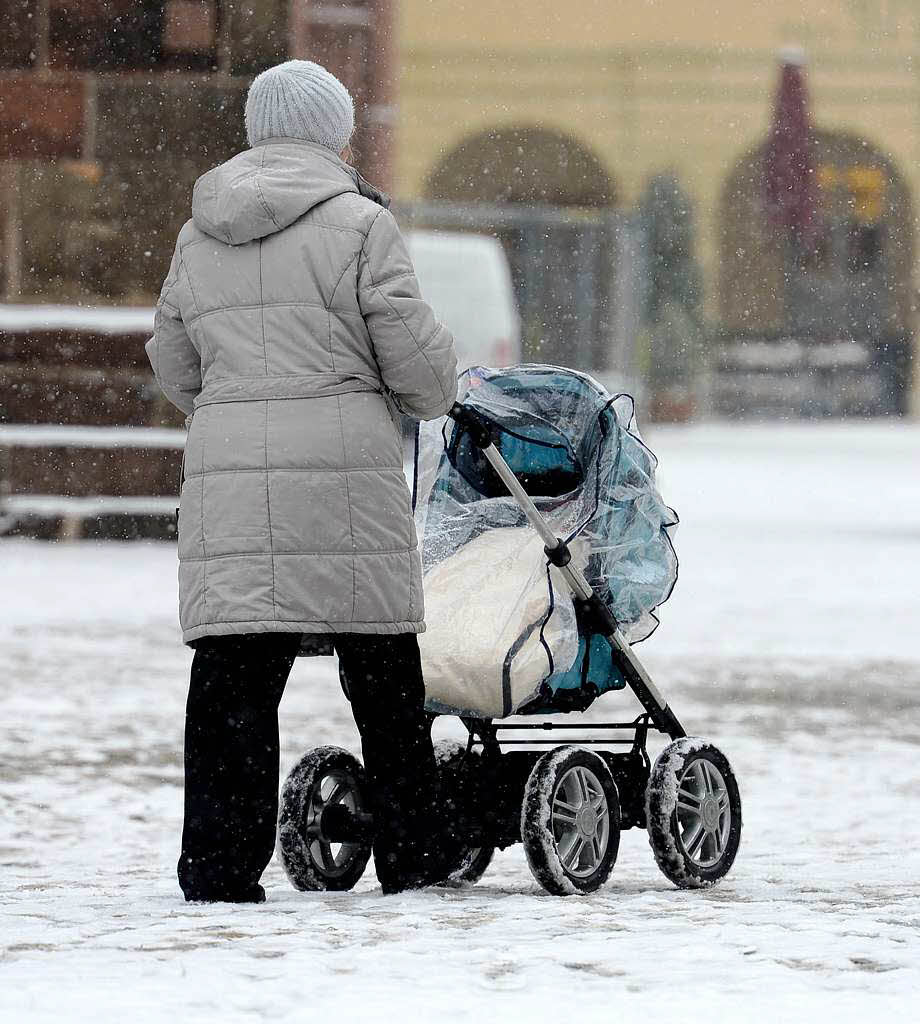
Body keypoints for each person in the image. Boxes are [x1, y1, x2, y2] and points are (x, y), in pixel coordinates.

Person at [145, 59, 459, 902]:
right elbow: (421, 373)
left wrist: (239, 404)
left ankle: (217, 867)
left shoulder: (197, 230)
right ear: (334, 132)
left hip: (232, 485)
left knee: (232, 684)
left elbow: (174, 362)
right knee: (384, 675)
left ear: (255, 129)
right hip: (346, 481)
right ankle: (414, 856)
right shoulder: (360, 225)